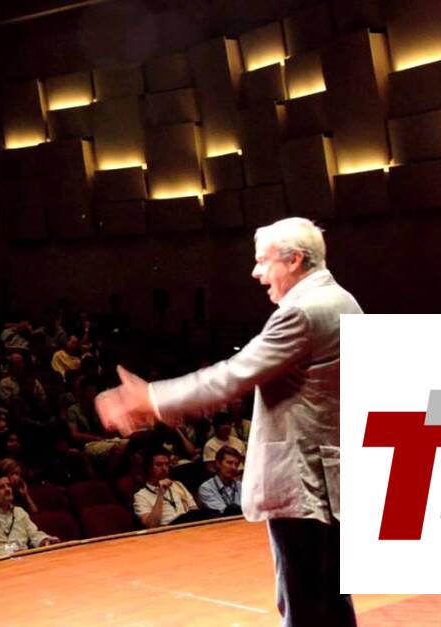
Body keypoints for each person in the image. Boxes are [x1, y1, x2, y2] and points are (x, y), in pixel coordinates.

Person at [96, 217, 361, 627]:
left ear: (293, 260)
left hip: (303, 482)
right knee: (331, 602)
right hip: (331, 480)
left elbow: (233, 375)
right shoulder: (343, 301)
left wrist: (151, 398)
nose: (256, 272)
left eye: (263, 261)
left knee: (305, 606)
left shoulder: (302, 313)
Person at [0, 472, 58, 559]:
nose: (7, 489)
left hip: (24, 559)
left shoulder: (19, 512)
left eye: (9, 485)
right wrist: (1, 558)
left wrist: (45, 540)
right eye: (1, 487)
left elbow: (34, 534)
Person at [132, 450, 199, 528]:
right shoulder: (140, 495)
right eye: (159, 465)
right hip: (166, 531)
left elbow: (194, 511)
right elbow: (151, 525)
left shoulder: (177, 485)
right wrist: (160, 494)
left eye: (167, 464)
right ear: (148, 468)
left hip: (188, 527)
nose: (164, 468)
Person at [198, 446, 244, 516]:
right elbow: (222, 512)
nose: (233, 467)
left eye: (236, 464)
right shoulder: (206, 488)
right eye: (229, 463)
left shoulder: (241, 486)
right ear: (218, 463)